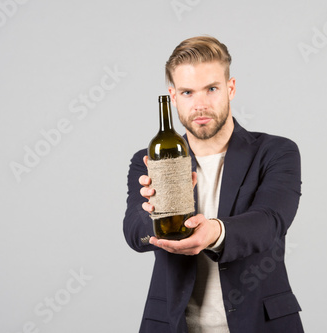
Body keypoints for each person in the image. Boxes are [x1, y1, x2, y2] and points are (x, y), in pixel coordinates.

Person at [123, 36, 304, 333]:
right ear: (173, 96)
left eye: (211, 89)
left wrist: (215, 232)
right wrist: (155, 215)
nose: (200, 104)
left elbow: (270, 222)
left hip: (260, 323)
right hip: (172, 325)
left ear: (230, 88)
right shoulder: (148, 160)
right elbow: (133, 231)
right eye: (187, 92)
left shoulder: (276, 151)